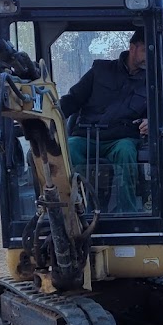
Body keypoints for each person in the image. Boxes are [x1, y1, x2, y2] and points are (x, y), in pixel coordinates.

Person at [59, 31, 150, 213]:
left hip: (121, 139)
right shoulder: (100, 71)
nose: (149, 57)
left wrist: (151, 121)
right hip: (87, 136)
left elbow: (158, 110)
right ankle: (79, 207)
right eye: (145, 51)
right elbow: (73, 99)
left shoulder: (151, 81)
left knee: (126, 151)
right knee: (69, 148)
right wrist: (49, 116)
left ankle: (128, 213)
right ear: (132, 48)